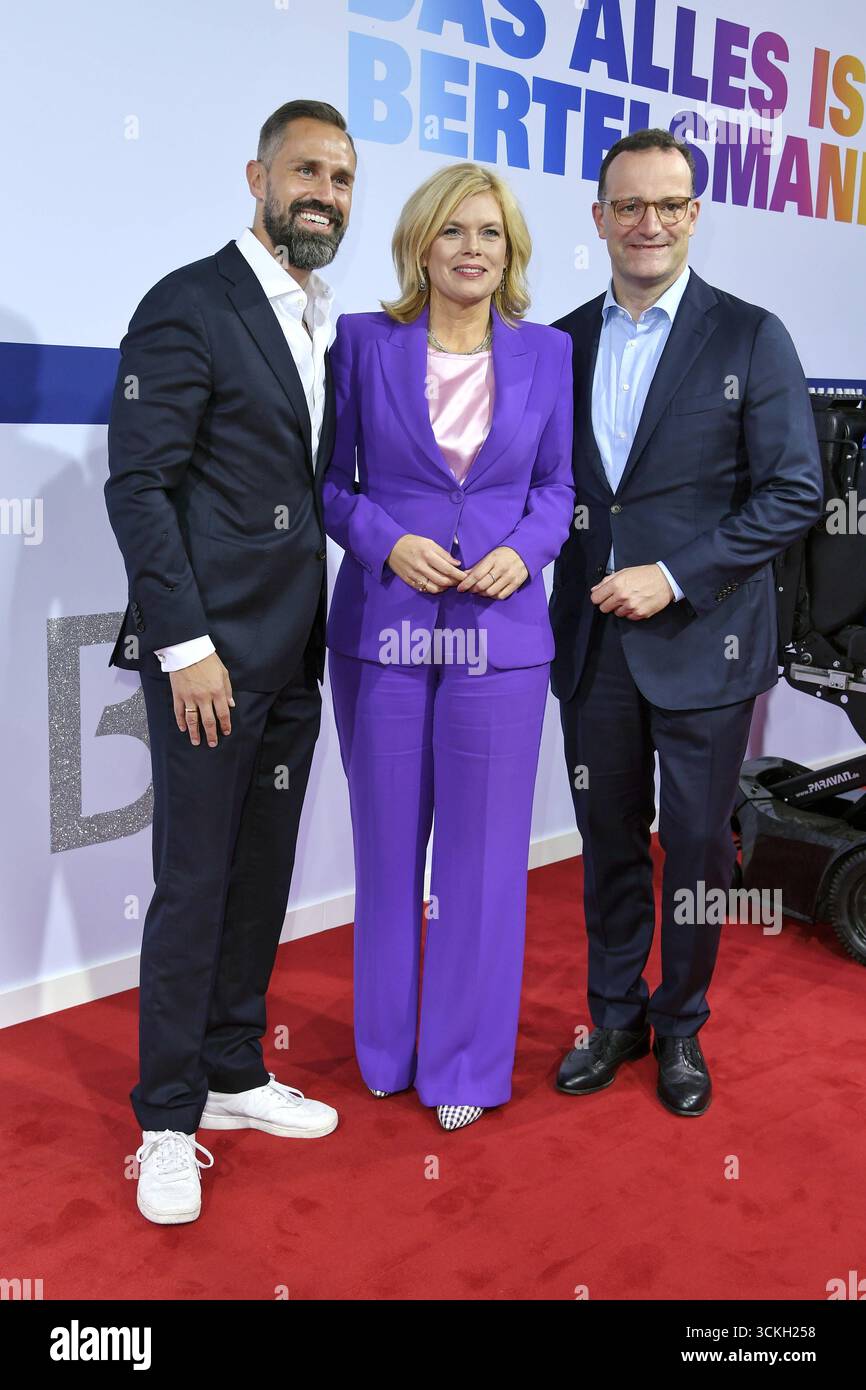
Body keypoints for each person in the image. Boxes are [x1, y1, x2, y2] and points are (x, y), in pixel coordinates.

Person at [104, 100, 355, 1224]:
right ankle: (165, 1119)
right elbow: (139, 486)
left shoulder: (318, 315)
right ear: (257, 175)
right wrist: (186, 647)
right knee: (194, 883)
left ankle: (233, 1068)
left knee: (259, 875)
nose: (324, 193)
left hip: (292, 652)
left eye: (342, 179)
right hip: (208, 659)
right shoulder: (189, 303)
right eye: (306, 171)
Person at [550, 128, 824, 1116]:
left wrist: (672, 573)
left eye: (668, 204)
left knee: (699, 849)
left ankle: (679, 1027)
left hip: (703, 638)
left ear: (694, 214)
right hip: (590, 644)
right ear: (598, 218)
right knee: (607, 837)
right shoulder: (559, 340)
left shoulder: (750, 335)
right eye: (628, 204)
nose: (647, 222)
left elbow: (793, 491)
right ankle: (613, 1014)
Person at [322, 162, 574, 1131]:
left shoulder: (546, 353)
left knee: (479, 862)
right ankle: (384, 1047)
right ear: (419, 243)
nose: (473, 250)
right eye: (454, 231)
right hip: (383, 629)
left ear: (509, 253)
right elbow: (332, 487)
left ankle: (464, 1062)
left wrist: (523, 551)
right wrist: (389, 539)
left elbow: (556, 485)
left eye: (491, 234)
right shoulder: (361, 345)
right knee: (387, 853)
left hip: (500, 640)